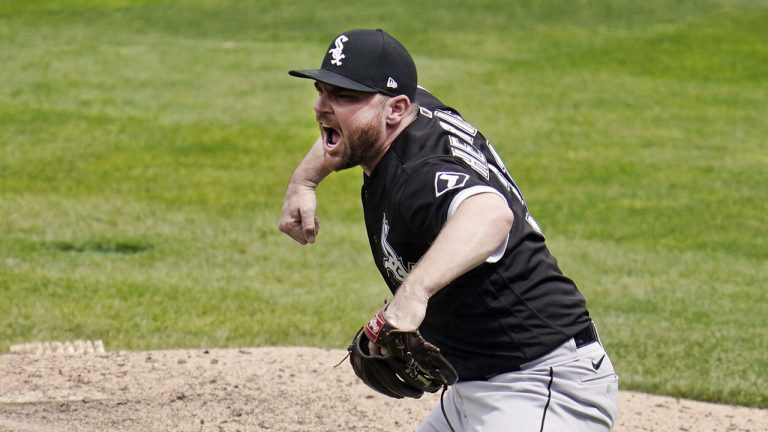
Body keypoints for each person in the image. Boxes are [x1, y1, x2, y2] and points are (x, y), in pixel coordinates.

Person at [279, 28, 619, 432]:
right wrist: (305, 181)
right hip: (478, 388)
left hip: (542, 386)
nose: (323, 107)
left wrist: (413, 295)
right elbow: (352, 126)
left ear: (396, 109)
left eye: (344, 96)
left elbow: (490, 214)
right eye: (323, 90)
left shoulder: (419, 177)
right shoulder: (410, 110)